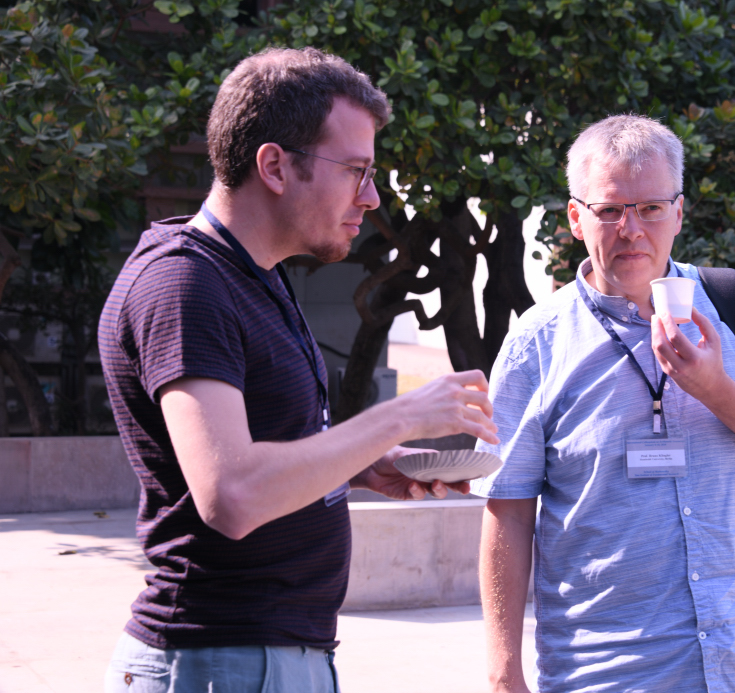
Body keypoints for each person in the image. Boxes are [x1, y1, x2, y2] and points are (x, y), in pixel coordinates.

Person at [98, 47, 498, 692]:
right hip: (219, 660)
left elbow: (267, 452)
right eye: (356, 171)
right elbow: (232, 495)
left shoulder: (252, 276)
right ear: (275, 166)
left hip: (261, 658)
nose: (371, 197)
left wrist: (364, 463)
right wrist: (397, 417)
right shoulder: (185, 284)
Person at [473, 115, 735, 693]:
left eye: (651, 208)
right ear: (576, 219)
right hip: (608, 672)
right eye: (610, 210)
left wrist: (717, 390)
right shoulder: (534, 344)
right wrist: (502, 674)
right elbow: (508, 511)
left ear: (679, 213)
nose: (632, 230)